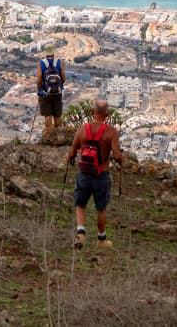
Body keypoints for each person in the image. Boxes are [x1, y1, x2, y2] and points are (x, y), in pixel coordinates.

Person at [66, 99, 124, 249]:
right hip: (101, 174)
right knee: (101, 207)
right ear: (107, 114)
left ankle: (80, 233)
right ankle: (101, 239)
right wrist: (121, 159)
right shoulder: (111, 132)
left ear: (92, 112)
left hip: (84, 173)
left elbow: (72, 151)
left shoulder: (82, 129)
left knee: (80, 203)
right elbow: (117, 155)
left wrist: (70, 159)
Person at [37, 49, 65, 132]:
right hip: (58, 92)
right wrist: (60, 85)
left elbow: (39, 79)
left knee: (47, 114)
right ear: (54, 53)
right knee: (57, 115)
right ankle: (59, 135)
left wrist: (39, 90)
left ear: (45, 54)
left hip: (46, 93)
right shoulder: (60, 62)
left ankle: (49, 136)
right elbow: (63, 77)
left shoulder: (41, 63)